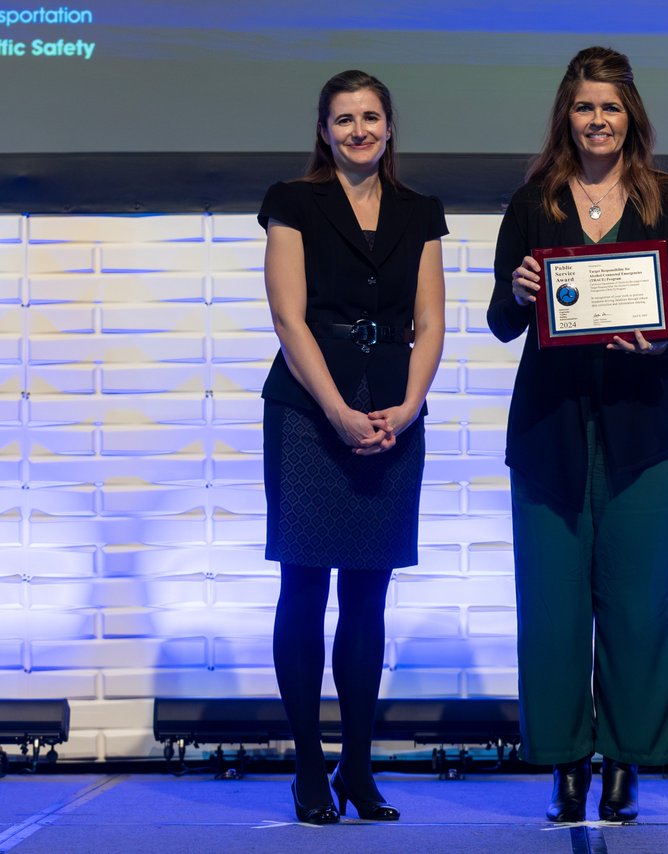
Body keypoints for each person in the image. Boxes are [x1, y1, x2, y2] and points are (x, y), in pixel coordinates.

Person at [488, 46, 668, 823]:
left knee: (642, 603)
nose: (598, 120)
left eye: (610, 107)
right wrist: (516, 293)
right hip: (549, 427)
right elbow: (499, 322)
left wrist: (664, 338)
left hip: (644, 426)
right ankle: (564, 764)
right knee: (550, 606)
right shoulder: (531, 201)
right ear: (566, 116)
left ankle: (629, 763)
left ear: (630, 116)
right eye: (585, 107)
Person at [258, 69, 446, 825]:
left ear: (390, 127)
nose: (359, 130)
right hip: (310, 412)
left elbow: (430, 324)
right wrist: (336, 409)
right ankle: (308, 765)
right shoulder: (292, 202)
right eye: (344, 119)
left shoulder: (419, 212)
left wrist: (407, 407)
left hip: (394, 412)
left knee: (368, 595)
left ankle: (358, 769)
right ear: (324, 130)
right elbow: (287, 318)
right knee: (304, 587)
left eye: (371, 117)